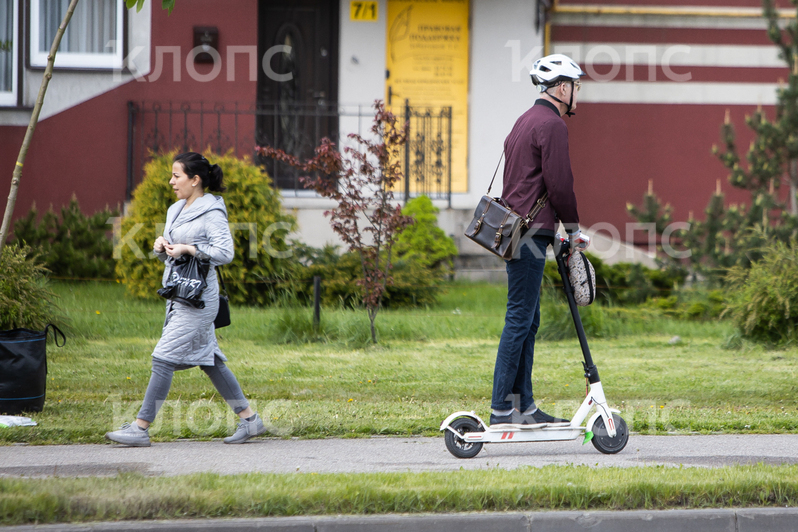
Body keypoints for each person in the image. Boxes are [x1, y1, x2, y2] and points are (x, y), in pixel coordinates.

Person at [105, 152, 267, 446]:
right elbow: (173, 251)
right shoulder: (175, 209)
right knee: (211, 361)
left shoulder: (212, 213)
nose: (171, 181)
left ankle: (140, 428)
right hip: (178, 294)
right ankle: (250, 421)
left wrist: (189, 249)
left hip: (199, 300)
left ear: (195, 180)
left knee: (163, 357)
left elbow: (225, 253)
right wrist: (161, 246)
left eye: (176, 176)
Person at [490, 54, 591, 426]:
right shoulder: (552, 125)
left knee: (528, 321)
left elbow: (526, 183)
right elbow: (560, 184)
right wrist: (575, 229)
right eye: (576, 86)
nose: (578, 93)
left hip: (519, 230)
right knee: (519, 318)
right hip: (531, 233)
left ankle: (523, 405)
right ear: (562, 88)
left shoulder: (524, 121)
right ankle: (502, 407)